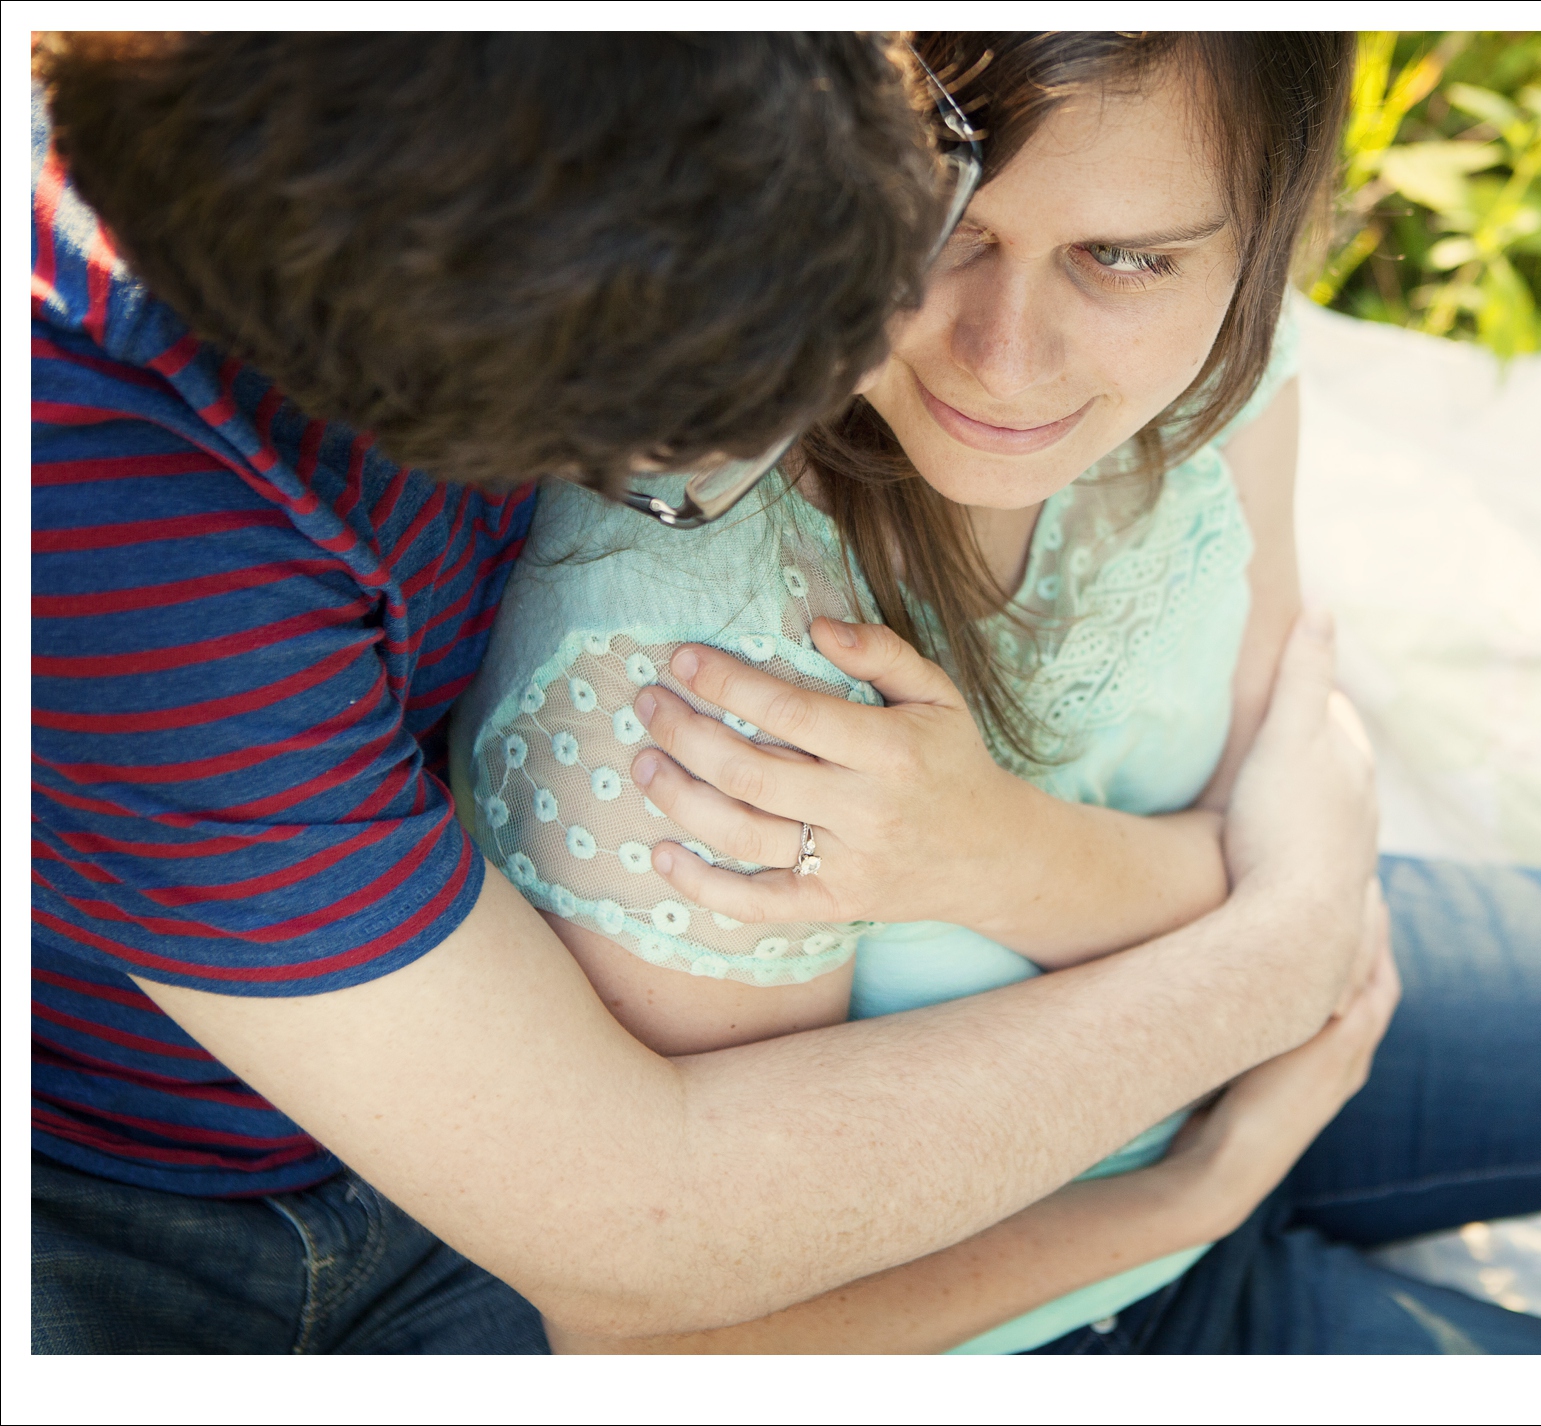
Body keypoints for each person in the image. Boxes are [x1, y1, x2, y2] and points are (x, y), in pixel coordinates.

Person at [456, 29, 1541, 1355]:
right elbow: (694, 1336)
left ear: (1265, 232)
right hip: (1052, 1311)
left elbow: (1284, 727)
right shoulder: (692, 670)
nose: (1008, 357)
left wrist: (1012, 856)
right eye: (942, 236)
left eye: (1122, 256)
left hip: (1325, 1008)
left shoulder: (1210, 362)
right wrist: (1191, 1174)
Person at [28, 31, 1386, 1354]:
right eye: (695, 443)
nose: (983, 360)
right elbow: (636, 1244)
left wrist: (1169, 890)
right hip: (213, 1207)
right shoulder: (127, 530)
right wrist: (1259, 1004)